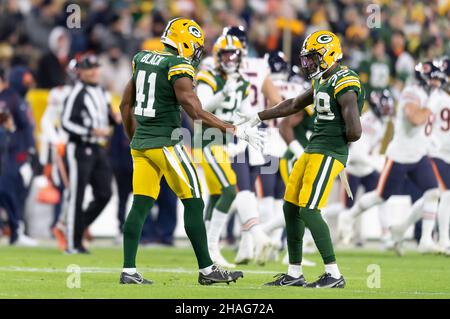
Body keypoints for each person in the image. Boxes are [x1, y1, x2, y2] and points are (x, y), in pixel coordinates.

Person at [118, 18, 264, 285]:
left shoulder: (143, 58)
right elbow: (196, 112)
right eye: (195, 46)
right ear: (184, 41)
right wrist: (233, 129)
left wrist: (134, 137)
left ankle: (128, 270)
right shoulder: (178, 66)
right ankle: (207, 270)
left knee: (139, 205)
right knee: (194, 200)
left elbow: (125, 104)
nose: (197, 52)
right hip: (165, 143)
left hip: (141, 145)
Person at [239, 30, 364, 288]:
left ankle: (334, 273)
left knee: (309, 209)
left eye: (313, 58)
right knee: (291, 207)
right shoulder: (323, 79)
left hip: (329, 151)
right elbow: (294, 103)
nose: (308, 63)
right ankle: (294, 274)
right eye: (307, 58)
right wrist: (259, 116)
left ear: (329, 55)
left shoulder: (344, 80)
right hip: (313, 149)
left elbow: (355, 130)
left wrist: (337, 144)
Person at [347, 61, 442, 254]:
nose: (436, 83)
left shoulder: (430, 95)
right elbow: (415, 119)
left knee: (433, 192)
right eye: (433, 79)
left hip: (419, 154)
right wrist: (431, 106)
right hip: (399, 156)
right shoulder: (411, 93)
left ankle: (425, 239)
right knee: (380, 197)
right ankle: (350, 215)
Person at [222, 25, 282, 266]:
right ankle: (247, 243)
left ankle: (244, 242)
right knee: (249, 191)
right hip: (257, 133)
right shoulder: (258, 65)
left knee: (237, 190)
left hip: (231, 131)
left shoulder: (224, 64)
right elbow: (275, 99)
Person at [194, 34, 250, 268]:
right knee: (229, 191)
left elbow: (244, 114)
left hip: (225, 142)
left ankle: (207, 248)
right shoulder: (210, 77)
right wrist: (224, 92)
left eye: (234, 54)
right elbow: (202, 108)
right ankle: (213, 247)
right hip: (208, 139)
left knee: (217, 194)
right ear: (218, 56)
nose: (230, 58)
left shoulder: (242, 83)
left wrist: (244, 139)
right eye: (226, 54)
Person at [61, 54, 115, 254]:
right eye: (89, 68)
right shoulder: (77, 92)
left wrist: (113, 119)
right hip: (79, 148)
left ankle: (75, 227)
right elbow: (66, 122)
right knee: (77, 194)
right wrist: (89, 131)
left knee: (105, 193)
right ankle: (72, 244)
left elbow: (105, 116)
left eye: (95, 67)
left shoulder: (101, 91)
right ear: (80, 72)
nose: (94, 71)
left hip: (98, 148)